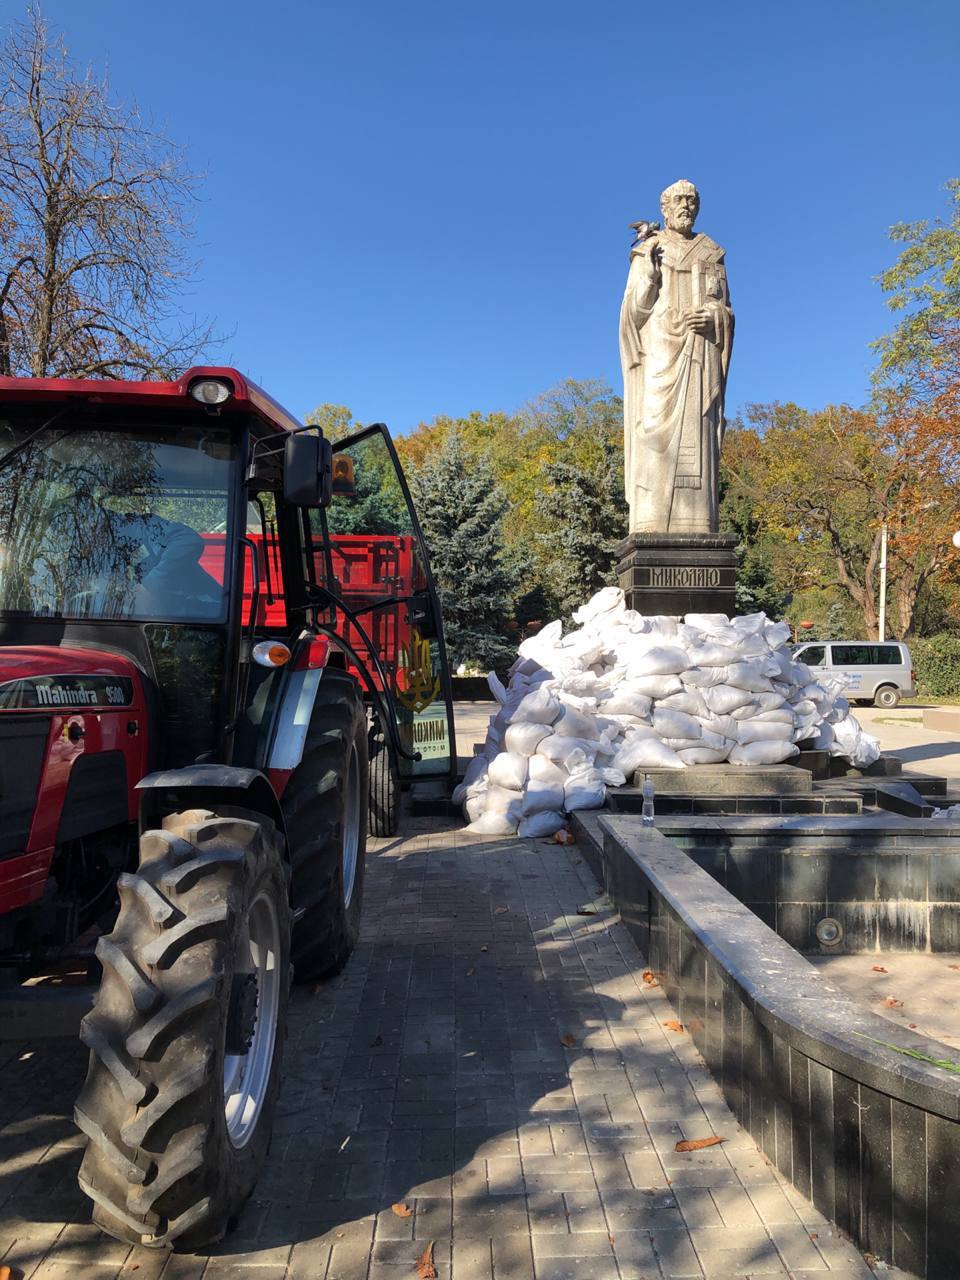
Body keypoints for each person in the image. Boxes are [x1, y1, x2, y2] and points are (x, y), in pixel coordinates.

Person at [619, 179, 734, 534]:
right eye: (678, 201)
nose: (686, 206)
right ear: (664, 209)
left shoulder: (711, 252)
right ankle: (652, 518)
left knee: (697, 437)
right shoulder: (649, 249)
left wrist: (715, 317)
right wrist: (650, 278)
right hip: (659, 354)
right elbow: (632, 316)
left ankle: (696, 521)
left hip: (699, 356)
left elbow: (727, 310)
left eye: (691, 201)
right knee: (651, 429)